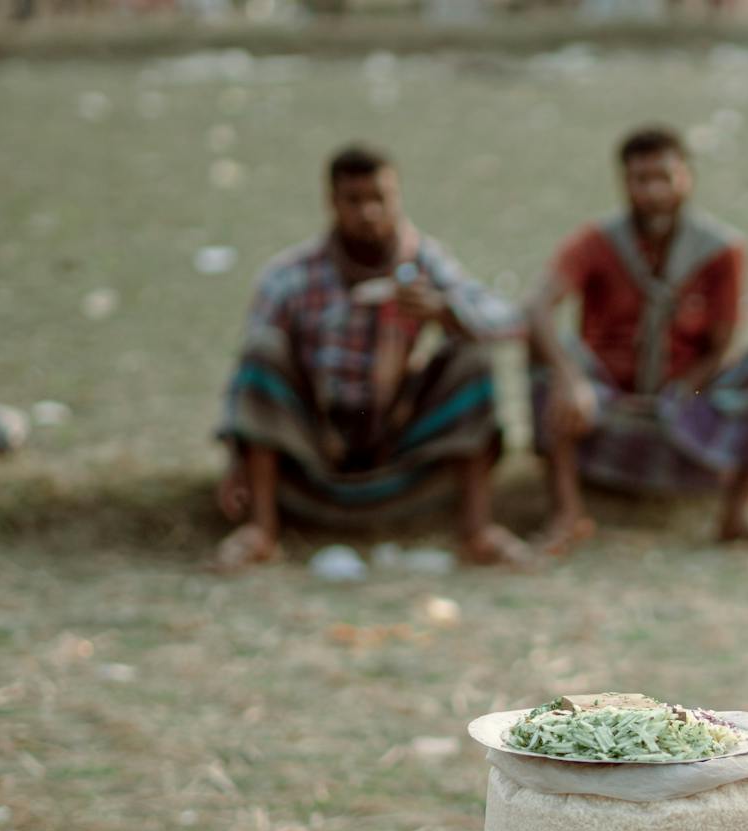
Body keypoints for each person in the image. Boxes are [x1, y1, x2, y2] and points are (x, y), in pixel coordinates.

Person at [213, 144, 529, 571]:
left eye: (379, 198)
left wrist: (443, 311)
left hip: (397, 430)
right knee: (263, 350)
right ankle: (261, 530)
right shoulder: (291, 275)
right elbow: (247, 379)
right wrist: (235, 458)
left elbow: (508, 322)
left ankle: (477, 530)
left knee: (471, 355)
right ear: (332, 202)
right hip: (315, 433)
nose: (369, 213)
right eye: (354, 201)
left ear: (396, 197)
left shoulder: (423, 262)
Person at [526, 125, 748, 554]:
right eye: (641, 180)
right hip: (607, 395)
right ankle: (567, 513)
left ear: (686, 179)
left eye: (665, 178)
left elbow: (723, 343)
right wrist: (571, 378)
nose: (654, 192)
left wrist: (685, 391)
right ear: (624, 183)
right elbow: (538, 305)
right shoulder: (598, 242)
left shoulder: (721, 249)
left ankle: (740, 512)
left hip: (688, 394)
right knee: (546, 353)